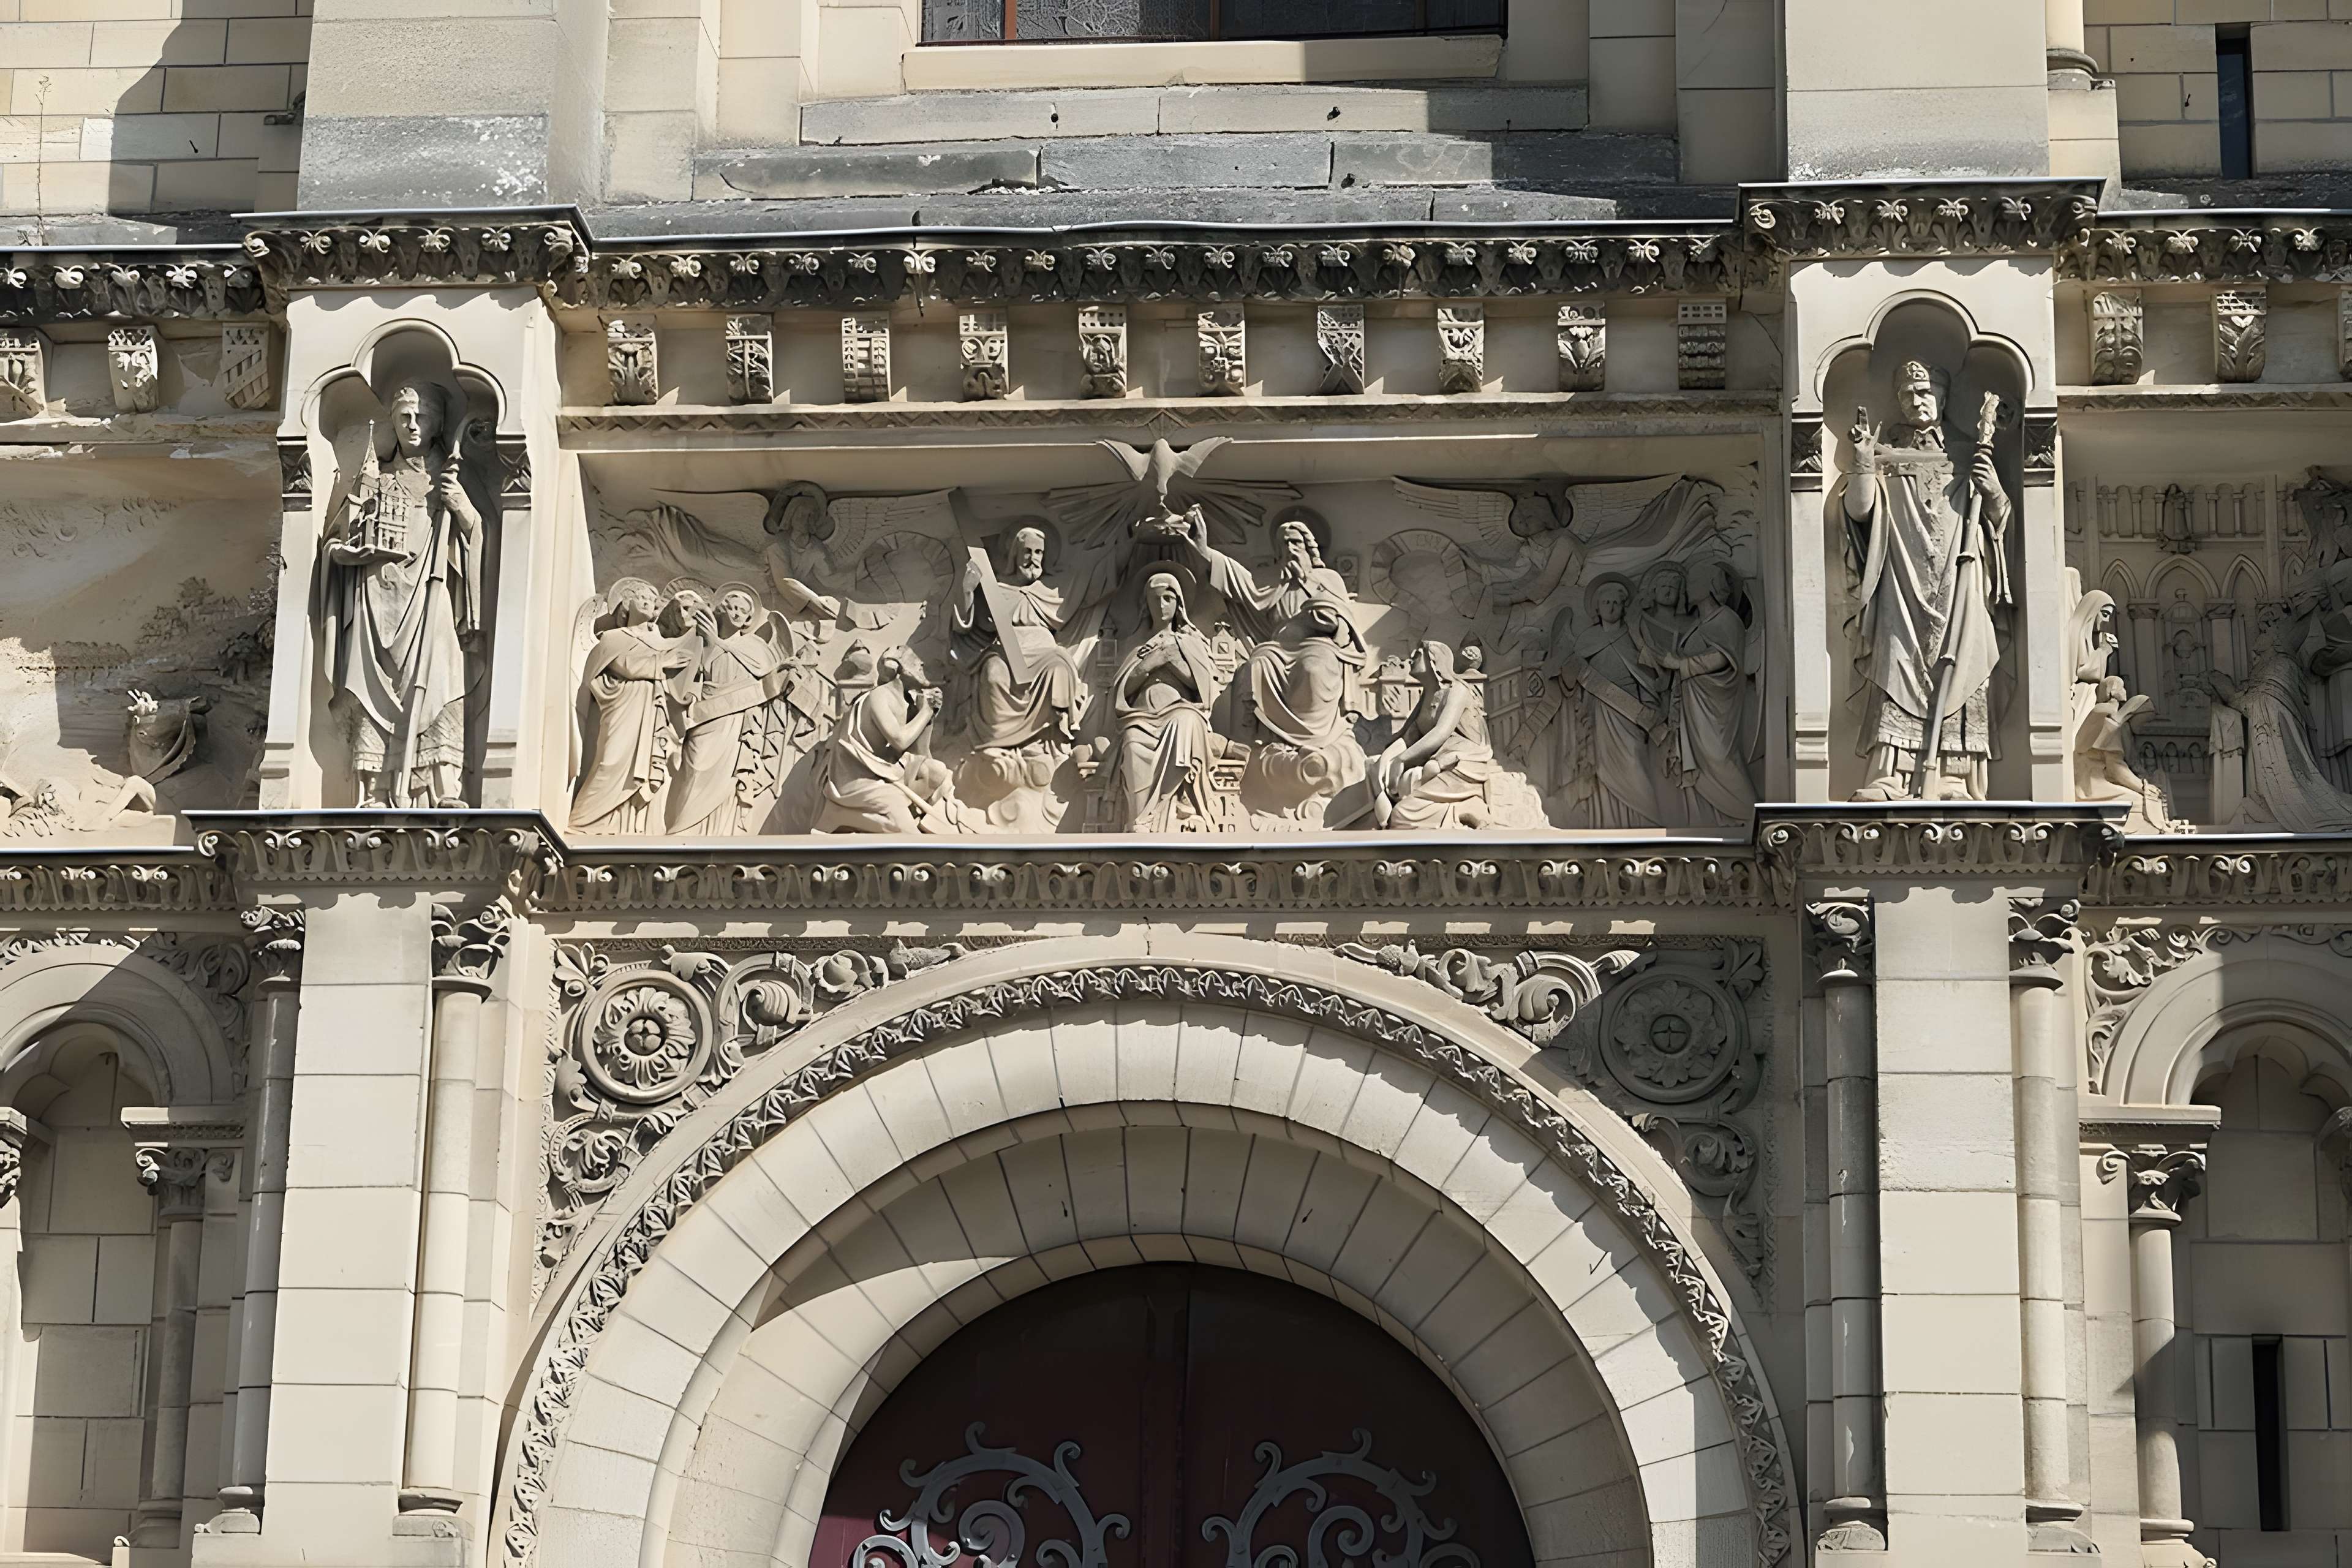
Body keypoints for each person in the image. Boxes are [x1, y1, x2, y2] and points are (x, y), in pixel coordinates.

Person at [1844, 358, 2011, 799]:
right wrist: (1863, 462)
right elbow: (1859, 513)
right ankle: (1890, 775)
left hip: (1960, 578)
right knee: (1896, 663)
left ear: (1943, 395)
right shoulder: (1887, 452)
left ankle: (1955, 777)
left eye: (1925, 392)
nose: (1917, 401)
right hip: (1901, 581)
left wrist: (1992, 490)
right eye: (1908, 394)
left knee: (1962, 663)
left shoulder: (1966, 451)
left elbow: (1999, 522)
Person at [317, 379, 483, 807]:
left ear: (436, 424)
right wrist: (346, 555)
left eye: (421, 417)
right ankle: (373, 790)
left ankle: (443, 786)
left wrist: (463, 509)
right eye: (404, 416)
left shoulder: (449, 480)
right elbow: (335, 540)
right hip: (374, 600)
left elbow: (483, 542)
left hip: (432, 596)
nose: (412, 425)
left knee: (441, 676)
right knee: (370, 688)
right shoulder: (373, 480)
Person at [666, 586, 796, 835]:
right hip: (705, 720)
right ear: (721, 610)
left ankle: (721, 834)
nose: (736, 613)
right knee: (696, 770)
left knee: (728, 780)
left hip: (736, 722)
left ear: (749, 619)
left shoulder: (756, 647)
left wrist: (785, 670)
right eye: (731, 607)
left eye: (742, 611)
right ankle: (683, 830)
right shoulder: (701, 639)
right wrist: (708, 643)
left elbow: (767, 681)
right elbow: (691, 674)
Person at [571, 579, 695, 834]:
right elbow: (611, 669)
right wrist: (661, 664)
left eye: (652, 598)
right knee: (612, 761)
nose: (649, 601)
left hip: (651, 711)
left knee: (650, 768)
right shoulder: (614, 638)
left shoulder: (662, 643)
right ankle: (583, 823)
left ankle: (635, 827)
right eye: (641, 597)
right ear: (626, 606)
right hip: (622, 709)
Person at [1112, 571, 1229, 832]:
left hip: (1180, 711)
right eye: (1155, 599)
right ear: (1146, 604)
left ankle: (1180, 806)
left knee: (1186, 723)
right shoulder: (1137, 643)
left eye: (1168, 598)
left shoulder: (1190, 642)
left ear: (1179, 604)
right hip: (1141, 718)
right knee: (1132, 742)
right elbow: (1123, 690)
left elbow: (1202, 688)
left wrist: (1171, 661)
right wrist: (1148, 665)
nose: (1162, 605)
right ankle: (1139, 820)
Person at [949, 526, 1082, 753]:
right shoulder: (995, 589)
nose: (1033, 559)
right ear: (1015, 555)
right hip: (1005, 652)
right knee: (992, 674)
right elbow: (966, 627)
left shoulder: (1051, 592)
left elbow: (1097, 581)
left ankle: (1050, 746)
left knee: (1060, 668)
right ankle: (997, 742)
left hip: (1045, 653)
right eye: (1027, 552)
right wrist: (968, 591)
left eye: (1039, 552)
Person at [812, 647, 962, 834]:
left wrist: (929, 717)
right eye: (916, 662)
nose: (922, 665)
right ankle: (889, 816)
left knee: (936, 771)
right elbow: (899, 741)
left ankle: (915, 816)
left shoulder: (909, 702)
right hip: (860, 779)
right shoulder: (880, 695)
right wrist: (926, 712)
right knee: (907, 832)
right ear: (898, 666)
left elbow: (921, 754)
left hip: (890, 773)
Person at [1653, 559, 1755, 826]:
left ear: (1709, 585)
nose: (1686, 589)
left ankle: (1748, 814)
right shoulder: (1699, 624)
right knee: (1701, 761)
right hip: (1693, 704)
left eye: (1692, 583)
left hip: (1715, 706)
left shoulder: (1726, 619)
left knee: (1717, 757)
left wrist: (1681, 664)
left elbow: (1725, 658)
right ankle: (1713, 820)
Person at [1569, 576, 1666, 828]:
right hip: (1599, 711)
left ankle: (1646, 821)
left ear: (1624, 607)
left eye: (1616, 603)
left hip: (1630, 712)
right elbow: (1574, 681)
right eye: (1606, 602)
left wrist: (1650, 706)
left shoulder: (1634, 636)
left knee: (1634, 762)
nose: (1611, 607)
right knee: (1602, 765)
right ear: (1597, 608)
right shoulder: (1587, 640)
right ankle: (1608, 822)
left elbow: (1647, 673)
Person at [1373, 643, 1495, 831]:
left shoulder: (1458, 690)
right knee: (1382, 780)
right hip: (1440, 762)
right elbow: (1407, 737)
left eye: (1419, 653)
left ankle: (1467, 808)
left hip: (1463, 765)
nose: (1411, 656)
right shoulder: (1427, 696)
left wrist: (1401, 760)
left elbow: (1441, 733)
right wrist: (1385, 761)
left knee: (1401, 815)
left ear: (1435, 661)